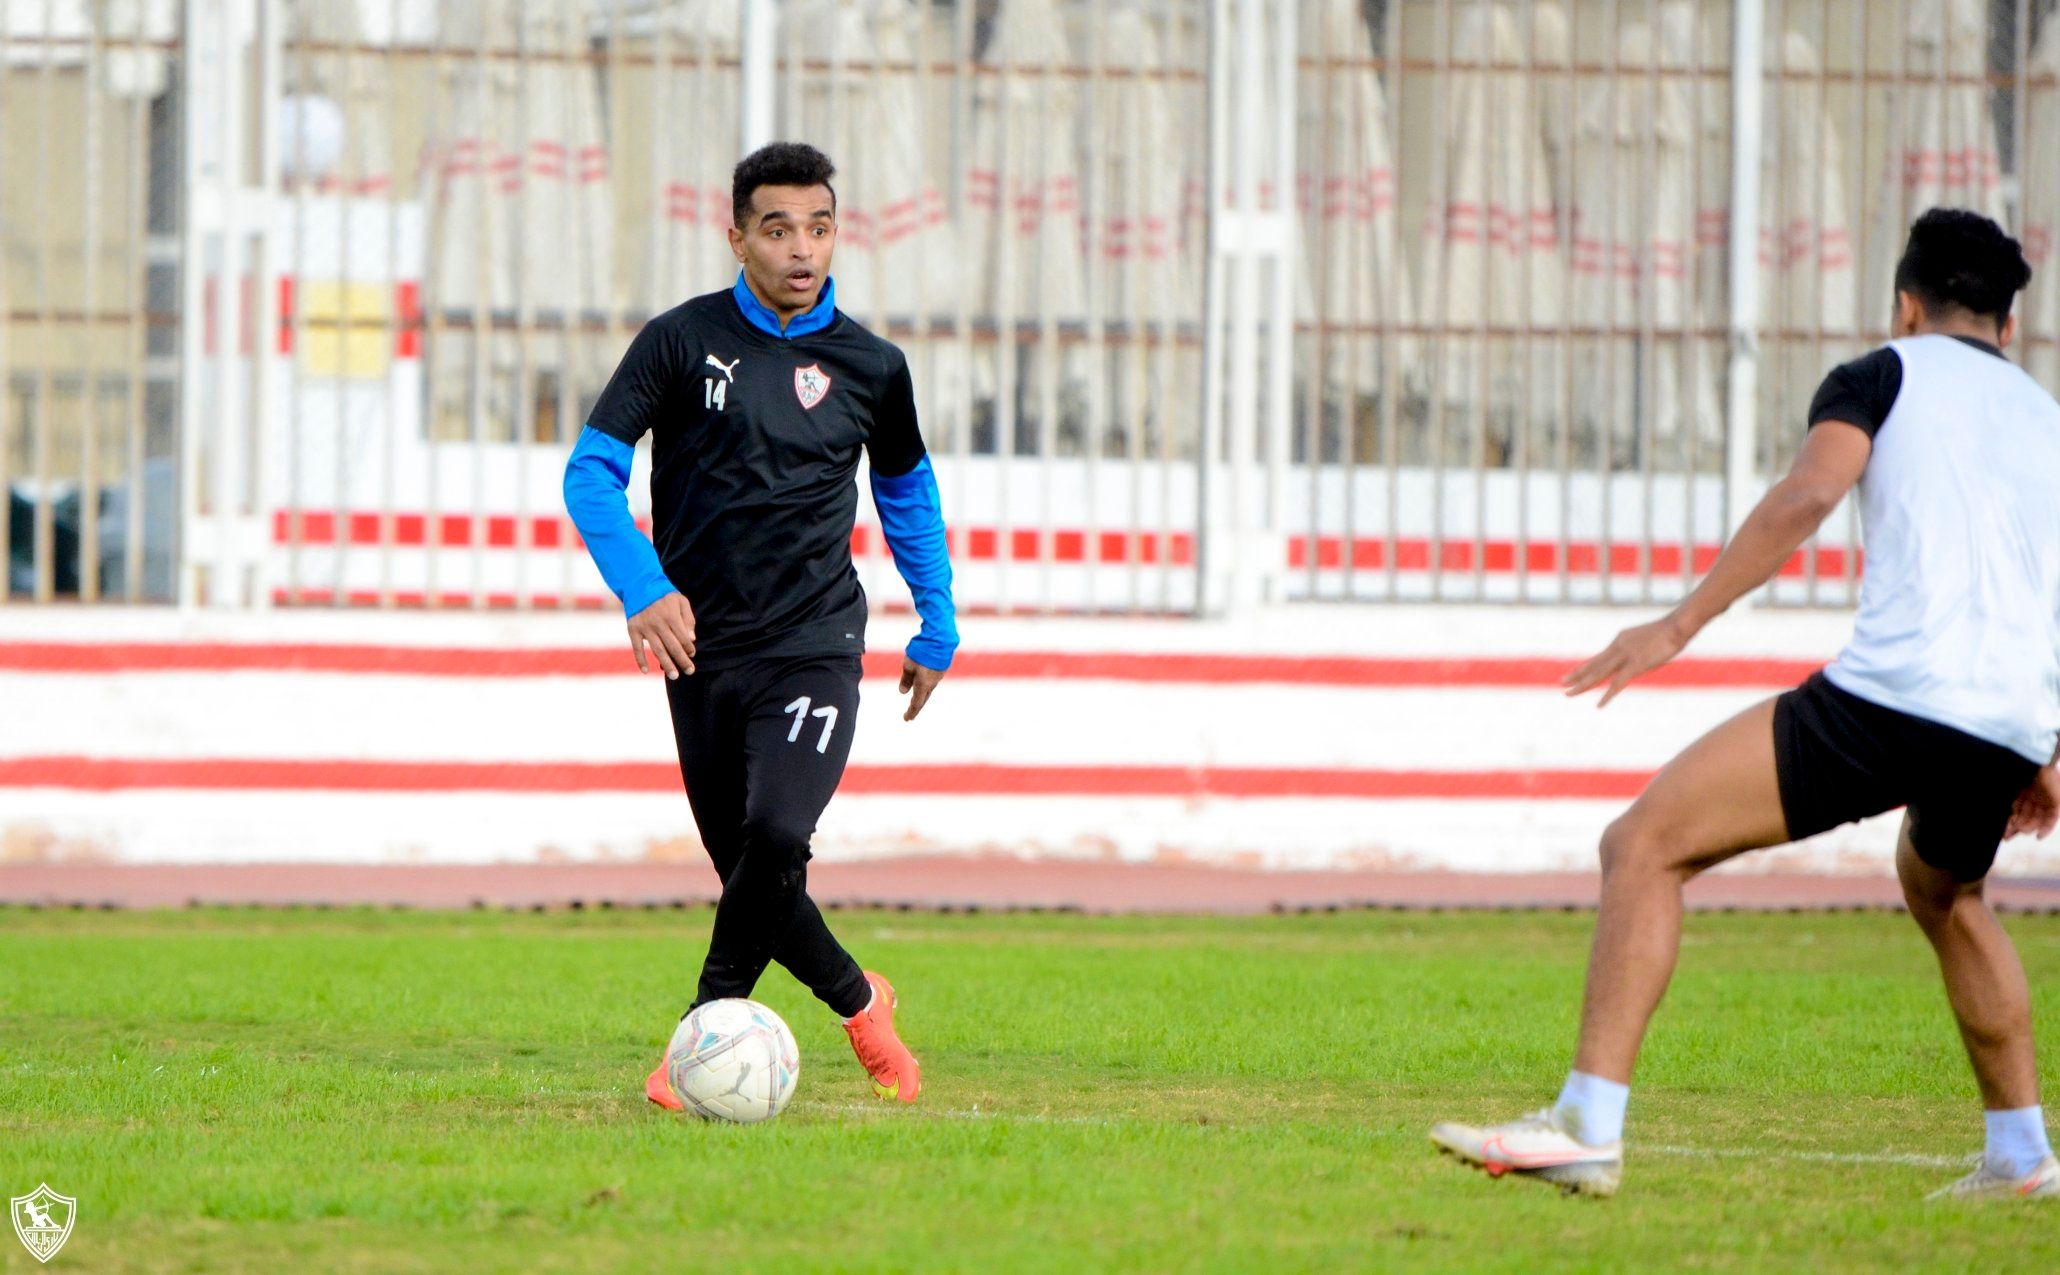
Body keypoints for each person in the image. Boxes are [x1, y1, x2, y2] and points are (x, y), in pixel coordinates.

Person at [1429, 209, 2060, 1199]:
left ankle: (1585, 1125)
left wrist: (1675, 625)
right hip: (2005, 720)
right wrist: (2041, 747)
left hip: (1892, 701)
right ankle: (2020, 1156)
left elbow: (1808, 496)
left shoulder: (1880, 373)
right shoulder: (2044, 417)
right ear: (2007, 325)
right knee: (1946, 890)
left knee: (1641, 844)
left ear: (1904, 302)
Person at [563, 141, 957, 1106]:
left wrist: (935, 622)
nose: (801, 249)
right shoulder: (676, 341)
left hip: (815, 643)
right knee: (752, 872)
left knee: (778, 834)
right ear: (736, 235)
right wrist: (643, 587)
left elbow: (909, 496)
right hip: (701, 649)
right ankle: (863, 1000)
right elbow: (590, 474)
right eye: (777, 229)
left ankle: (695, 1041)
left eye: (819, 228)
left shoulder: (872, 366)